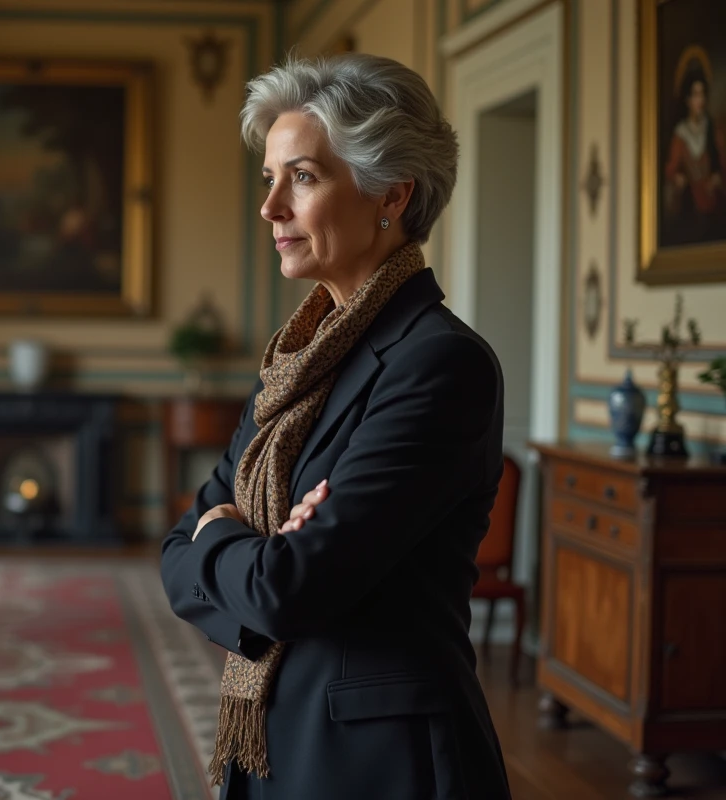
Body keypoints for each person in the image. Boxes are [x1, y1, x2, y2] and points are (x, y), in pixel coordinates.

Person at [160, 54, 512, 799]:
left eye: (304, 177)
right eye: (270, 179)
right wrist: (252, 555)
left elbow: (290, 588)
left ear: (392, 196)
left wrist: (220, 533)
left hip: (379, 761)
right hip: (275, 741)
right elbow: (174, 558)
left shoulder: (441, 365)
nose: (271, 207)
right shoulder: (294, 362)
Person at [662, 54, 726, 246]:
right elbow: (671, 171)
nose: (700, 100)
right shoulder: (680, 134)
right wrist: (677, 179)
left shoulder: (713, 129)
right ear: (687, 99)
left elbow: (722, 162)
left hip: (713, 203)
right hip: (690, 205)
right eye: (695, 95)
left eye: (702, 94)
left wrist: (717, 178)